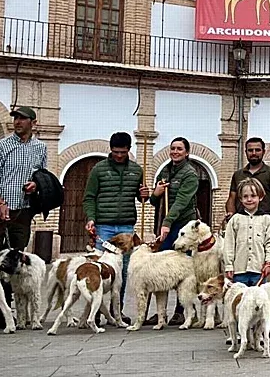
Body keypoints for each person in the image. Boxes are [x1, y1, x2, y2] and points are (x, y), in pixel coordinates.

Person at [0, 105, 48, 334]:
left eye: (23, 119)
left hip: (22, 211)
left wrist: (35, 185)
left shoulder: (40, 148)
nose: (18, 122)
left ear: (33, 123)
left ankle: (2, 313)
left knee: (13, 263)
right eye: (15, 118)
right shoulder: (2, 146)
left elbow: (41, 175)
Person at [82, 131, 150, 317]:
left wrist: (144, 194)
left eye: (123, 152)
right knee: (99, 268)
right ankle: (95, 312)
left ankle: (117, 311)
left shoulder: (137, 170)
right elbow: (89, 197)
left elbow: (141, 197)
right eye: (116, 152)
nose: (119, 155)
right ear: (111, 149)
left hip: (126, 226)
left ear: (129, 150)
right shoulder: (99, 169)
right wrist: (91, 218)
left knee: (122, 271)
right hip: (104, 226)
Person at [150, 136, 200, 326]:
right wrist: (156, 193)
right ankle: (160, 312)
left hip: (183, 227)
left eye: (179, 149)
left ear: (187, 152)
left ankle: (182, 310)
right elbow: (154, 202)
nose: (175, 152)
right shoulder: (164, 171)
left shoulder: (190, 174)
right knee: (162, 269)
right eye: (173, 148)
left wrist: (168, 222)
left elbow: (181, 201)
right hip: (166, 225)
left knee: (182, 270)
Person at [222, 177, 270, 287]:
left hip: (259, 271)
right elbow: (229, 244)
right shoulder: (235, 220)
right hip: (239, 272)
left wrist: (269, 262)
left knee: (258, 297)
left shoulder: (267, 220)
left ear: (260, 197)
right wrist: (229, 266)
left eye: (253, 196)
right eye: (245, 196)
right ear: (240, 198)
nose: (249, 199)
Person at [225, 137, 270, 226]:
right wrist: (232, 219)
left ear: (263, 152)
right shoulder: (238, 174)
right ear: (246, 152)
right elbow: (232, 198)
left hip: (263, 221)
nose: (254, 153)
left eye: (257, 150)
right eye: (250, 150)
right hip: (241, 221)